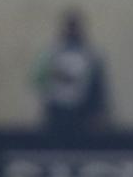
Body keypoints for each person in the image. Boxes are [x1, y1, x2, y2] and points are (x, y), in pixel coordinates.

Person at [32, 8, 111, 136]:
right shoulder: (51, 54)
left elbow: (98, 87)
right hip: (56, 114)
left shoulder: (91, 56)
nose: (72, 31)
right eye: (70, 27)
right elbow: (39, 81)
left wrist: (99, 113)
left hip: (83, 115)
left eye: (74, 27)